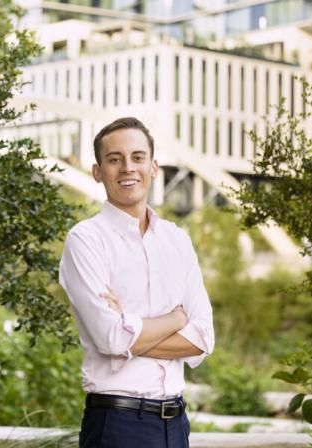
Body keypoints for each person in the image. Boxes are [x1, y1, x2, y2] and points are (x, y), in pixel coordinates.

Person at [59, 117, 215, 448]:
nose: (128, 168)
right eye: (115, 159)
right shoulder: (86, 240)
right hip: (118, 425)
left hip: (176, 426)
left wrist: (128, 333)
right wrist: (176, 319)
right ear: (97, 171)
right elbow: (109, 337)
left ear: (154, 166)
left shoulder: (177, 240)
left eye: (138, 157)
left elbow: (202, 338)